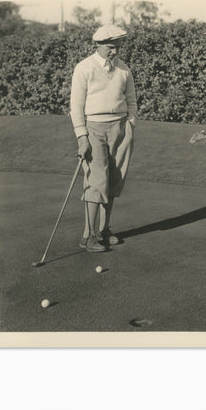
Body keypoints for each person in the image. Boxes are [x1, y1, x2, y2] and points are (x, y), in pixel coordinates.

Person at [70, 24, 137, 252]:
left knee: (113, 181)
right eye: (110, 47)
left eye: (117, 47)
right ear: (98, 45)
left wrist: (130, 124)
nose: (115, 51)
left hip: (120, 127)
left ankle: (104, 230)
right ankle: (88, 236)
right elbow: (76, 106)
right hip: (94, 128)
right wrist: (82, 136)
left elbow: (132, 101)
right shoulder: (84, 68)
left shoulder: (124, 70)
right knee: (96, 181)